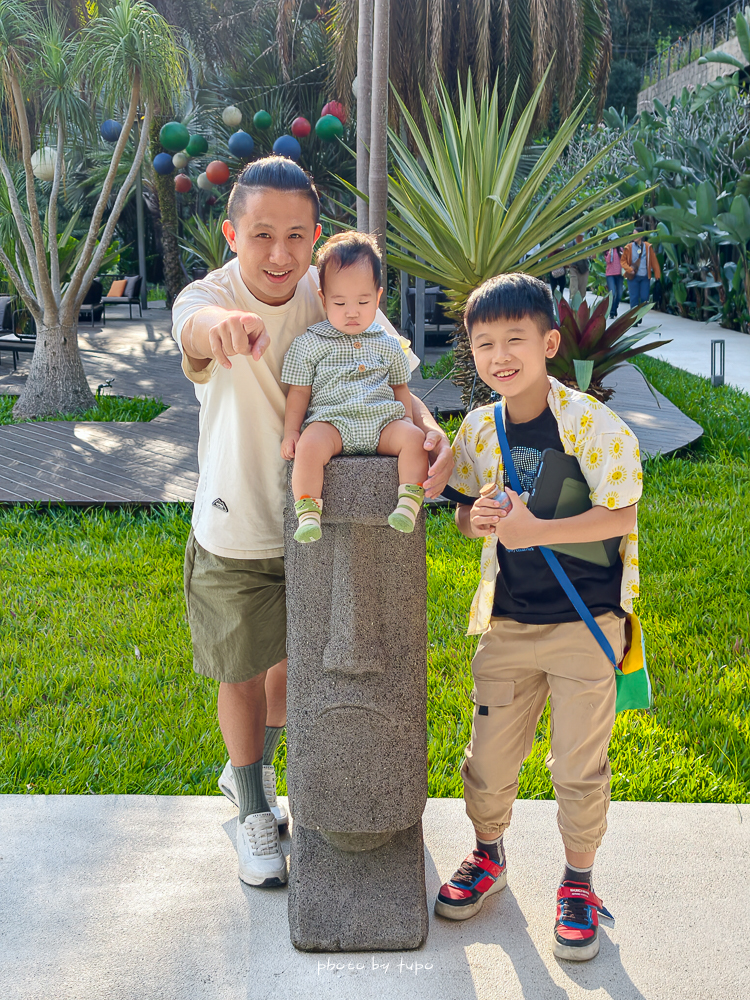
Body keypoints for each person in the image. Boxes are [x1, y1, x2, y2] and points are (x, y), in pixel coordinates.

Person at [171, 156, 453, 889]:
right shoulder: (211, 293)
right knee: (241, 673)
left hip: (318, 529)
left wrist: (429, 431)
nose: (279, 253)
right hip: (238, 524)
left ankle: (253, 776)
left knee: (291, 671)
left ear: (316, 236)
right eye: (261, 234)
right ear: (232, 233)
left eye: (296, 236)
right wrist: (221, 327)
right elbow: (194, 328)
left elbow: (390, 377)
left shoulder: (334, 293)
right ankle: (254, 806)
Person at [435, 273, 642, 962]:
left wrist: (534, 533)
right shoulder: (477, 430)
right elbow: (464, 512)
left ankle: (578, 883)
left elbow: (624, 514)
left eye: (515, 340)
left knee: (578, 766)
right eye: (484, 343)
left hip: (586, 625)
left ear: (549, 343)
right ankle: (488, 854)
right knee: (488, 762)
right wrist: (481, 519)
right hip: (509, 626)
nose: (500, 355)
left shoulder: (592, 425)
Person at [281, 232, 429, 541]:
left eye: (363, 301)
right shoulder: (310, 343)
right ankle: (308, 510)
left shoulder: (388, 344)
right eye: (340, 302)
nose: (352, 311)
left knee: (414, 439)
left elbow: (400, 388)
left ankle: (408, 502)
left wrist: (408, 421)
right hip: (332, 423)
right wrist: (292, 432)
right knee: (308, 446)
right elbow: (299, 393)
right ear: (323, 299)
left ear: (376, 298)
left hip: (382, 423)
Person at [621, 228, 661, 322]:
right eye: (633, 234)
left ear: (641, 236)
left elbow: (654, 262)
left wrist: (657, 276)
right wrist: (629, 269)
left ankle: (639, 314)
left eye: (636, 234)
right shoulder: (629, 247)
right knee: (634, 298)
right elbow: (623, 261)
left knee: (644, 297)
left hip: (644, 277)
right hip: (633, 277)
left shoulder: (647, 247)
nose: (634, 236)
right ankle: (634, 319)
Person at [603, 240, 623, 319]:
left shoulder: (620, 250)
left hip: (619, 274)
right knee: (612, 293)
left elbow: (624, 260)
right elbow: (608, 261)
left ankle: (614, 308)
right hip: (610, 274)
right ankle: (611, 311)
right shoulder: (607, 251)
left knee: (620, 294)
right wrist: (610, 251)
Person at [567, 233, 590, 301]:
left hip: (584, 269)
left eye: (581, 236)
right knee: (573, 290)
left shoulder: (587, 244)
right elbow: (567, 256)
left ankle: (579, 308)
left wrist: (588, 256)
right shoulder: (571, 244)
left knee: (582, 292)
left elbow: (593, 255)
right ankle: (572, 308)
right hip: (574, 269)